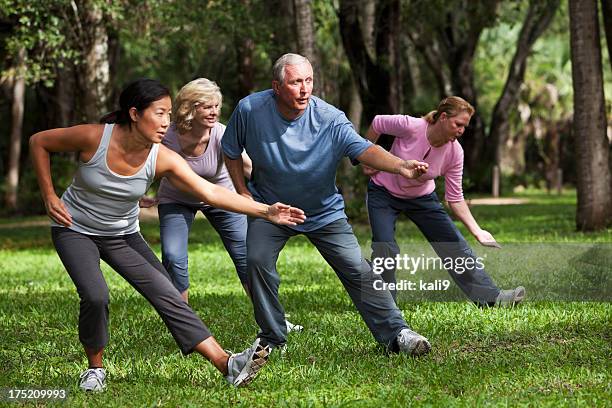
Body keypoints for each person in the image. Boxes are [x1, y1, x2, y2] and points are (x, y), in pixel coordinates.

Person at [29, 78, 306, 391]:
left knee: (169, 296)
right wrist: (50, 196)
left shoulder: (162, 157)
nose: (166, 122)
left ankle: (226, 364)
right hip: (75, 229)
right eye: (159, 114)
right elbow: (40, 141)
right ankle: (95, 370)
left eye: (168, 115)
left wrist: (266, 210)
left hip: (122, 235)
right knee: (96, 295)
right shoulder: (95, 137)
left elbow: (210, 192)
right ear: (135, 114)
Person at [222, 53, 431, 356]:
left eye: (309, 81)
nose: (305, 89)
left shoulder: (329, 117)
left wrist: (400, 166)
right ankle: (273, 337)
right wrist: (242, 192)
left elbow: (362, 148)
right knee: (256, 261)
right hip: (273, 210)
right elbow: (230, 150)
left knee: (358, 269)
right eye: (296, 82)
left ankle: (396, 334)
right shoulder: (250, 109)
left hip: (323, 212)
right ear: (277, 86)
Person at [149, 78, 302, 332]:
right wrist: (138, 193)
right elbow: (148, 165)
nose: (214, 112)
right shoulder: (168, 136)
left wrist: (281, 187)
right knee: (174, 257)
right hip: (176, 199)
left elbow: (248, 167)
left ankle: (276, 320)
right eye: (206, 106)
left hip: (221, 197)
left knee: (246, 257)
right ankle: (186, 329)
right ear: (190, 108)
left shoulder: (221, 133)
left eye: (217, 106)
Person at [363, 96, 525, 306]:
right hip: (383, 192)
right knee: (385, 248)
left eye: (464, 127)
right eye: (458, 124)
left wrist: (478, 231)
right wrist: (367, 156)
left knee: (454, 245)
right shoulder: (412, 126)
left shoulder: (455, 153)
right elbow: (377, 123)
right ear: (443, 117)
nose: (461, 131)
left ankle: (492, 299)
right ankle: (385, 305)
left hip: (422, 199)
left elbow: (455, 198)